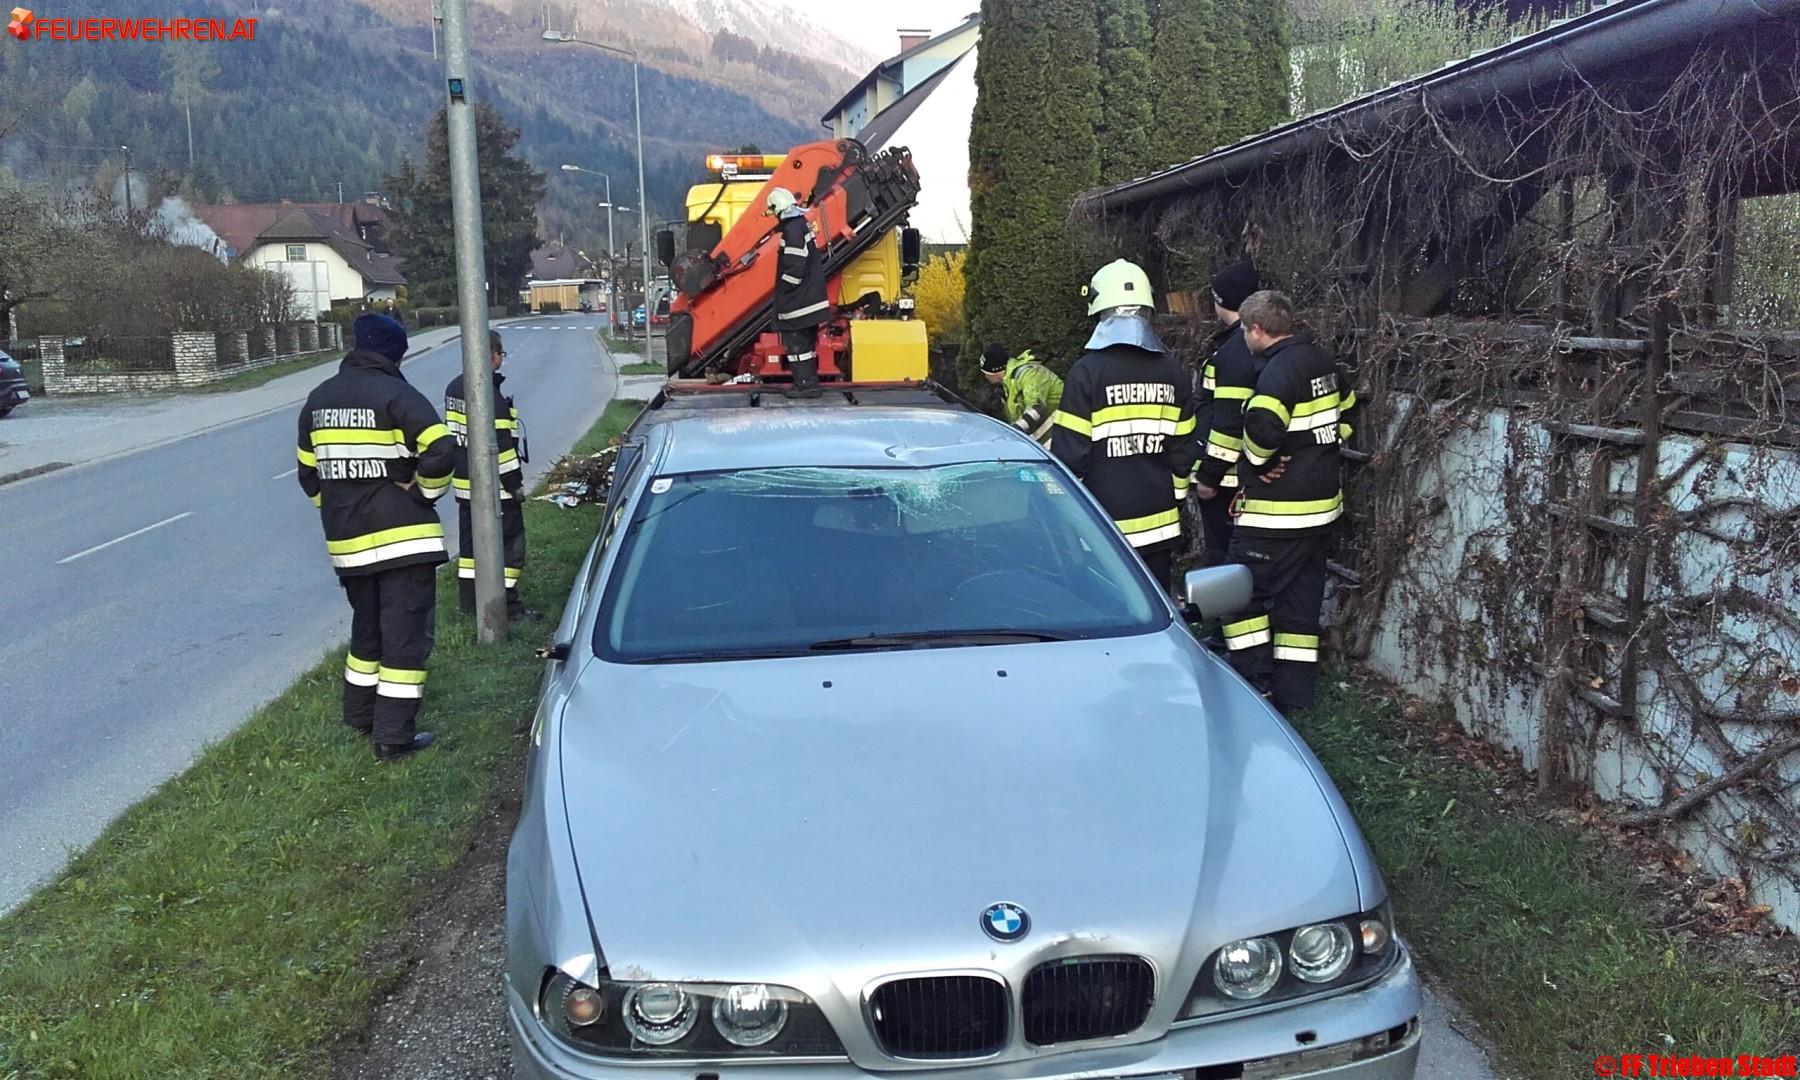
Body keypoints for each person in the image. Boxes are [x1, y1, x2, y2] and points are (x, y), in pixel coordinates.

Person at [297, 313, 456, 761]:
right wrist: (424, 494)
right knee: (405, 638)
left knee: (367, 633)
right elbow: (441, 448)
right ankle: (393, 738)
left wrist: (336, 511)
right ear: (394, 353)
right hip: (404, 541)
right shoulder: (397, 395)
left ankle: (360, 716)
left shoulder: (318, 399)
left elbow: (308, 475)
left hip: (348, 545)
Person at [1223, 290, 1358, 713]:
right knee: (1300, 606)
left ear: (1258, 330)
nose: (1245, 338)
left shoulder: (1277, 373)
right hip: (1321, 510)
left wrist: (1260, 463)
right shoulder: (1322, 362)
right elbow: (1348, 415)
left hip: (1276, 514)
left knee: (1238, 594)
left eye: (1246, 330)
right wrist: (1313, 450)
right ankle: (1295, 695)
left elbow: (1262, 431)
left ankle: (1252, 684)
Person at [1050, 259, 1202, 593]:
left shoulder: (1086, 373)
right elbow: (1183, 452)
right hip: (1160, 527)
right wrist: (1174, 500)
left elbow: (1071, 457)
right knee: (1156, 614)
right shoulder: (1173, 372)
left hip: (1104, 530)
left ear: (1099, 308)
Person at [444, 330, 538, 621]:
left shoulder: (454, 388)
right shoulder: (489, 397)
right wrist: (516, 488)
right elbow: (503, 452)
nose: (501, 359)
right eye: (501, 354)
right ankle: (506, 605)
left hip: (465, 487)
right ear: (492, 356)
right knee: (511, 547)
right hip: (497, 490)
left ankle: (471, 605)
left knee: (470, 551)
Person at [1189, 260, 1261, 567]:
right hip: (1248, 474)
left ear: (1220, 301)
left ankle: (1226, 614)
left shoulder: (1231, 353)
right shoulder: (1249, 345)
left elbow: (1228, 421)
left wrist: (1208, 475)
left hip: (1227, 480)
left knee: (1225, 555)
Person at [766, 186, 829, 398]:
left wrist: (783, 292)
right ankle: (807, 383)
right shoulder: (800, 226)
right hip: (809, 300)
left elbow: (794, 268)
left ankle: (806, 386)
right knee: (805, 347)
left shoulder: (792, 230)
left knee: (797, 346)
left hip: (798, 303)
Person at [980, 343, 1063, 445]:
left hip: (1058, 435)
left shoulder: (1028, 375)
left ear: (994, 371)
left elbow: (1036, 409)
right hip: (1045, 439)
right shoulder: (1009, 383)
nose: (985, 376)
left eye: (986, 372)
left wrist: (1012, 433)